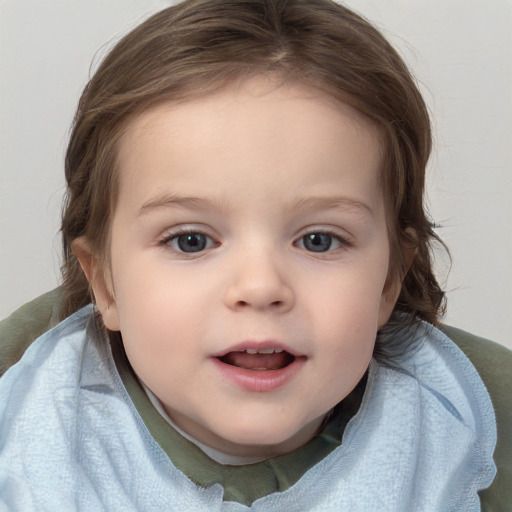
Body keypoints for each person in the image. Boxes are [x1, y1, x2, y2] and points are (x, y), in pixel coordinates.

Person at [0, 0, 510, 510]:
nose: (261, 286)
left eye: (319, 240)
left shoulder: (480, 410)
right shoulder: (20, 405)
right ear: (105, 284)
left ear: (387, 280)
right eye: (190, 240)